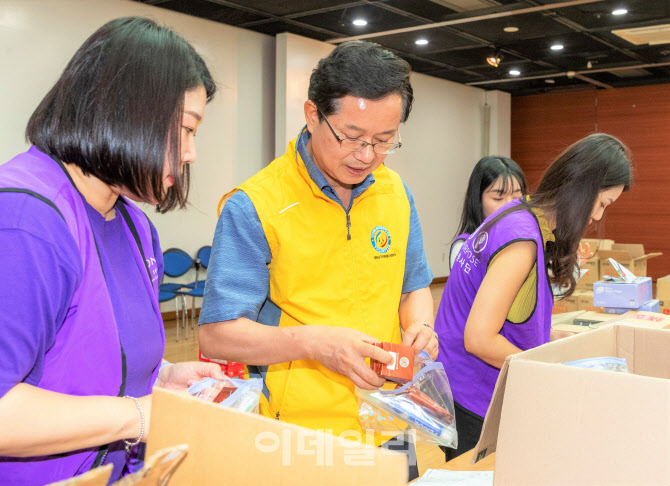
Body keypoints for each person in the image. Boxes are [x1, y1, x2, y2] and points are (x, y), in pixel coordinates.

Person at [198, 41, 437, 478]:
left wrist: (420, 326)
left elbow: (414, 284)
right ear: (312, 115)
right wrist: (315, 344)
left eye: (384, 141)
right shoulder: (256, 205)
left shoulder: (395, 193)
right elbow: (218, 335)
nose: (366, 156)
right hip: (299, 433)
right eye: (351, 137)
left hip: (389, 418)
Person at [0, 17, 221, 485]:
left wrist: (161, 377)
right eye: (185, 129)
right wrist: (140, 415)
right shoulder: (26, 221)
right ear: (124, 112)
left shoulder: (133, 225)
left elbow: (87, 355)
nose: (190, 154)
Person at [435, 133, 633, 460]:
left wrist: (557, 339)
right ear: (582, 189)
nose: (597, 217)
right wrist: (546, 368)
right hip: (472, 396)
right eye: (601, 204)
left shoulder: (519, 214)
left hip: (462, 385)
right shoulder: (521, 239)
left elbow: (509, 317)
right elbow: (480, 338)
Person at [450, 156, 526, 269]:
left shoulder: (527, 242)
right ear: (478, 200)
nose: (510, 207)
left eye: (516, 197)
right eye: (498, 198)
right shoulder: (464, 248)